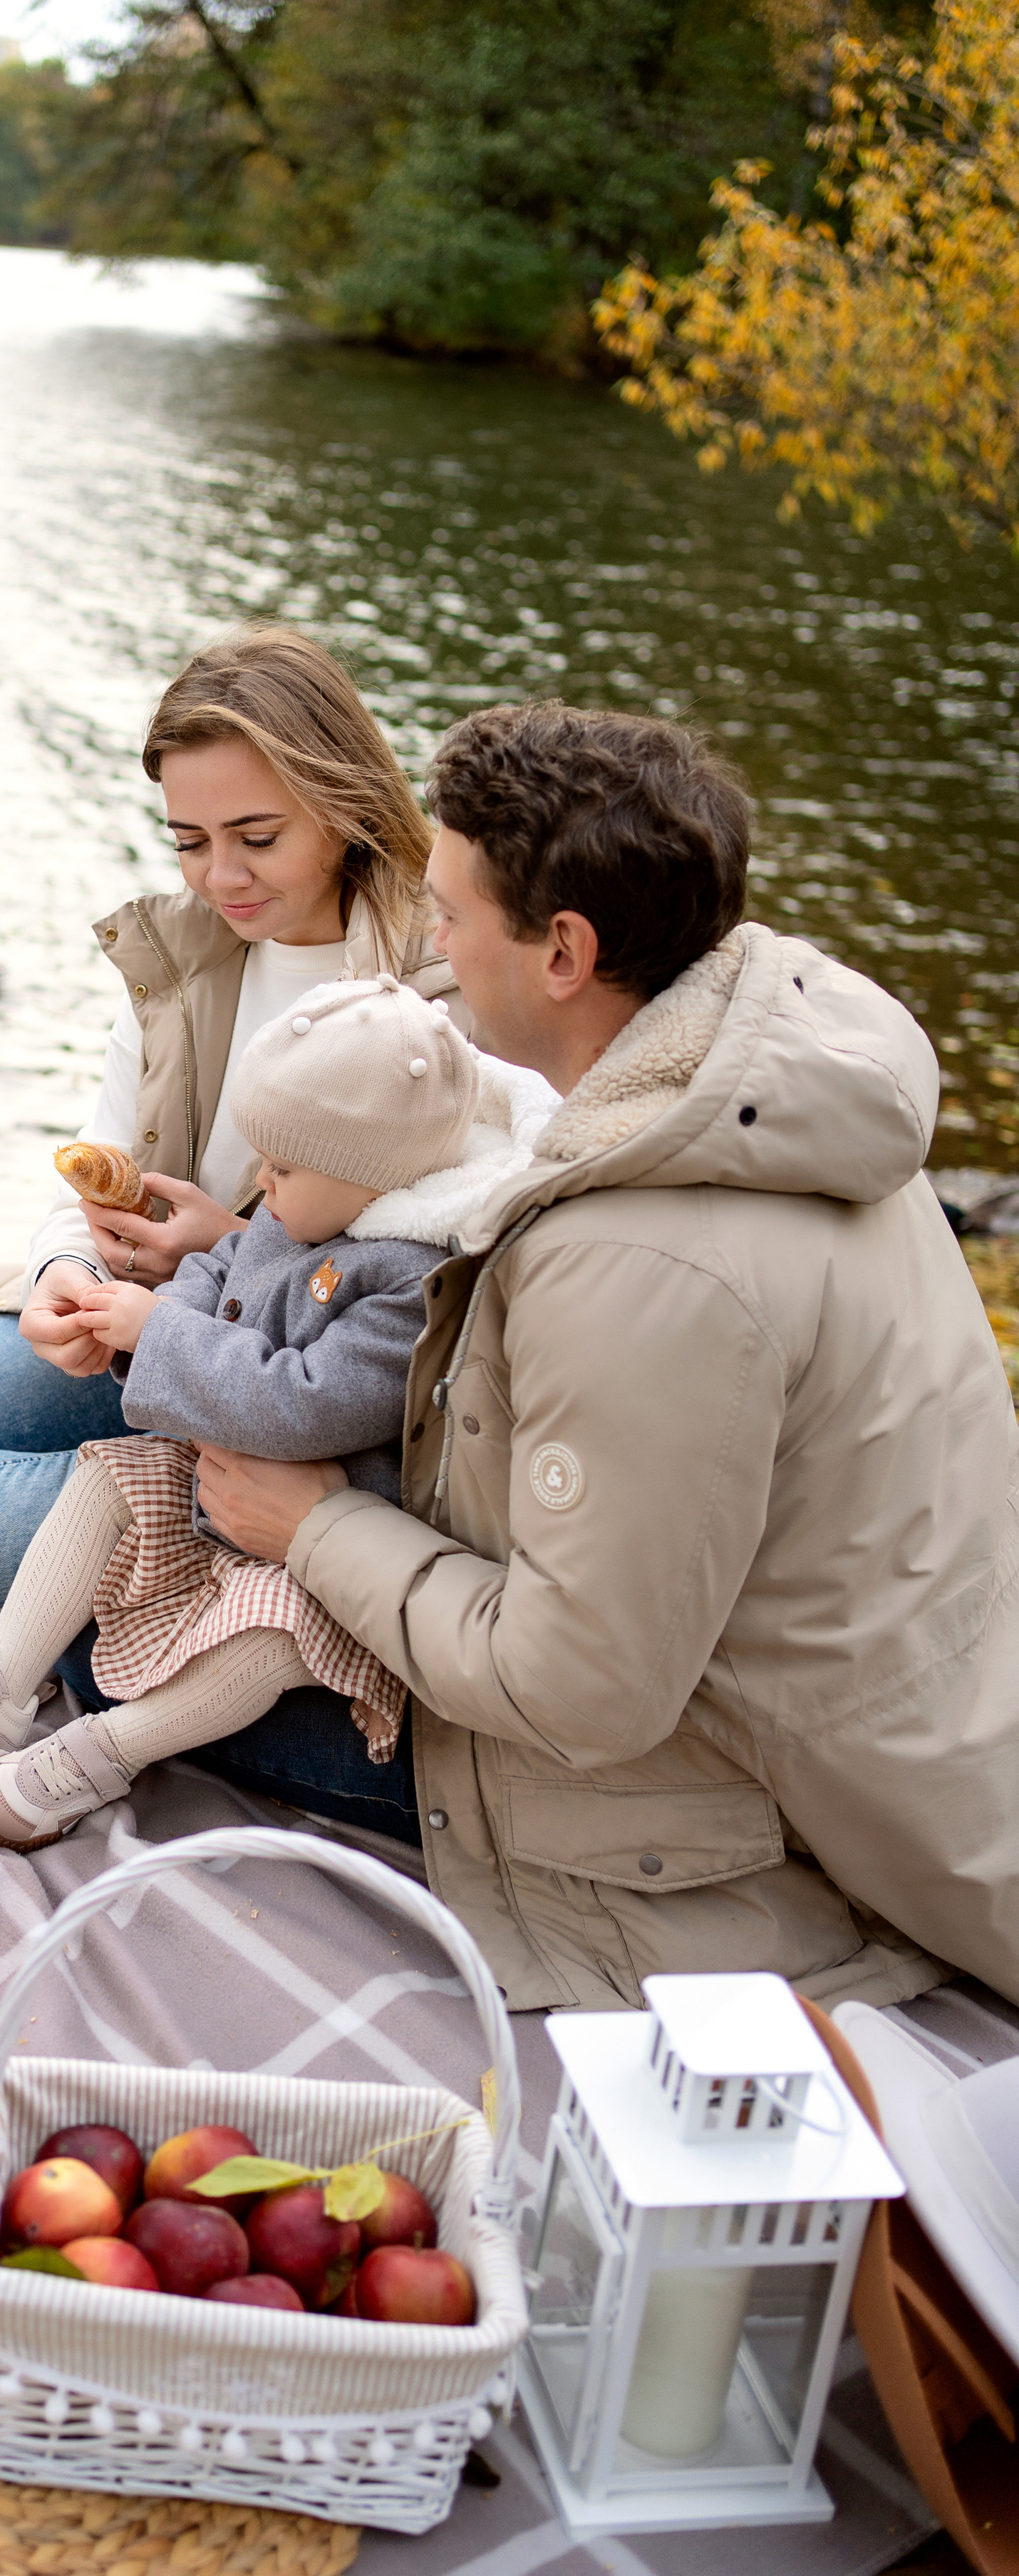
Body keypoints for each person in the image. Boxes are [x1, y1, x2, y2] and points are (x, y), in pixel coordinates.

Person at [190, 698, 1019, 2011]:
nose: (435, 951)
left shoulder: (641, 1261)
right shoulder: (767, 1070)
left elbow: (578, 1691)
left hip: (720, 1813)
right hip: (890, 1689)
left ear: (567, 951)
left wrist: (315, 1532)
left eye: (453, 915)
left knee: (37, 1585)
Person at [0, 627, 458, 1837]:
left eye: (256, 839)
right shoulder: (185, 960)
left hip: (287, 1393)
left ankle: (130, 1655)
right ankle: (76, 1560)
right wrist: (66, 1274)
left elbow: (426, 1276)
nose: (217, 878)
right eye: (188, 839)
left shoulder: (433, 992)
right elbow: (92, 1169)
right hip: (147, 1339)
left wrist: (230, 1245)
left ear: (342, 803)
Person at [0, 978, 556, 1847]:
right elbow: (220, 1270)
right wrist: (141, 1325)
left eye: (282, 1169)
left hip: (321, 1554)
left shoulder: (407, 1282)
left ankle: (98, 1756)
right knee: (110, 1475)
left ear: (372, 1178)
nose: (262, 1182)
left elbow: (307, 1404)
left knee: (267, 1639)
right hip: (219, 1478)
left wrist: (168, 1339)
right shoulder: (302, 1211)